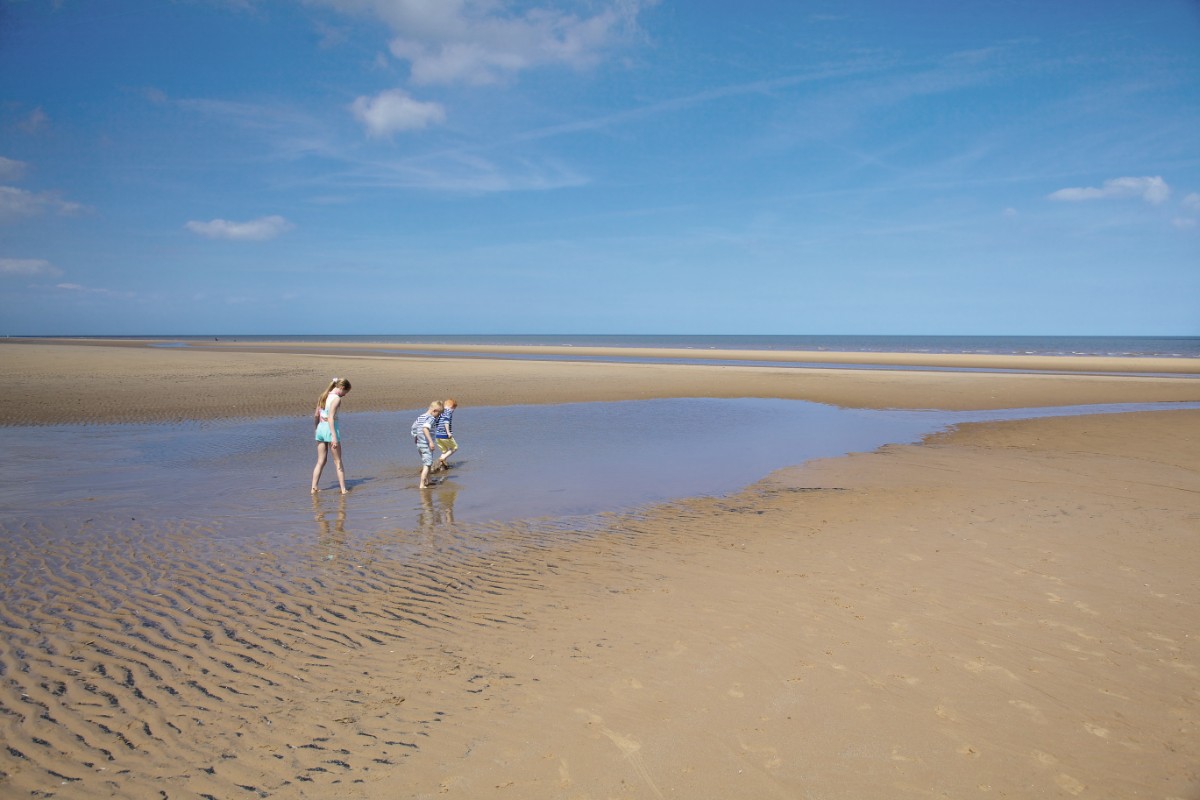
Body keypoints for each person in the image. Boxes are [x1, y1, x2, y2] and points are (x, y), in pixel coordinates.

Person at [311, 377, 351, 494]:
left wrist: (316, 429)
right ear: (342, 388)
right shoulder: (337, 399)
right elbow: (331, 417)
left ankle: (314, 488)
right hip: (330, 430)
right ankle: (343, 489)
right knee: (338, 461)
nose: (345, 395)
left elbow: (316, 415)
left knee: (320, 461)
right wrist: (334, 436)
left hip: (320, 429)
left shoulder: (323, 396)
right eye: (345, 392)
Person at [411, 400, 444, 489]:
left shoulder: (421, 417)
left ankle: (428, 480)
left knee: (427, 462)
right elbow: (425, 428)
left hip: (420, 444)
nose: (438, 417)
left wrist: (415, 437)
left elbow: (414, 428)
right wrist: (430, 441)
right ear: (434, 411)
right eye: (438, 414)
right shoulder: (431, 418)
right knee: (427, 465)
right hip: (426, 444)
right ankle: (422, 484)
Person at [433, 397, 459, 471]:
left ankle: (441, 466)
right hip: (445, 434)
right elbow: (446, 422)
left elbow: (436, 422)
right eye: (454, 409)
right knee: (455, 447)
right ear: (452, 407)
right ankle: (442, 459)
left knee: (444, 451)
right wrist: (448, 432)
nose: (453, 411)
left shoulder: (441, 412)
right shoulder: (448, 412)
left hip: (438, 435)